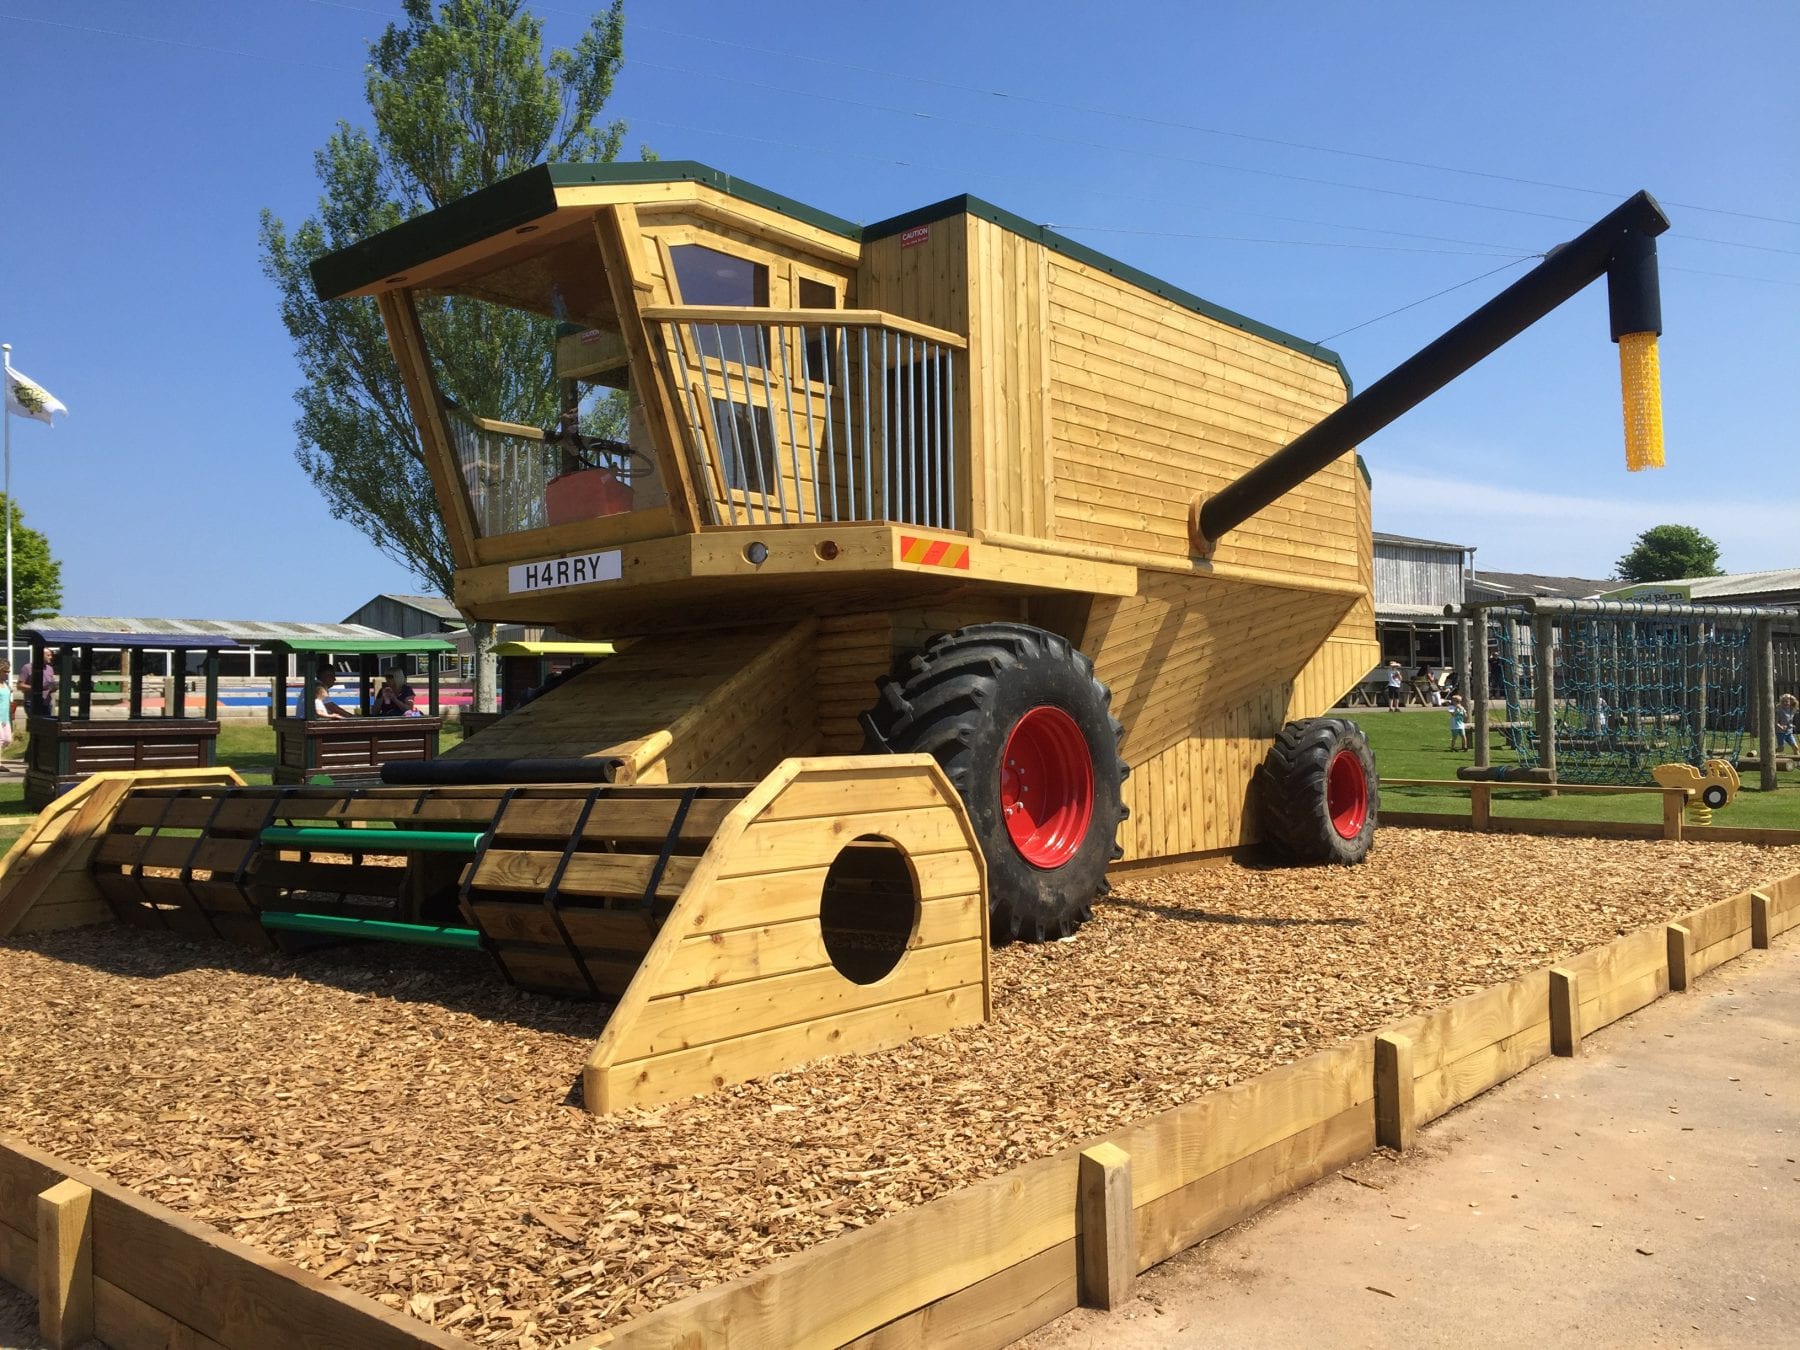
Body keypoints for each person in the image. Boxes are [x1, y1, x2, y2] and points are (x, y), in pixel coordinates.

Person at [18, 647, 57, 717]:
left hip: (46, 703)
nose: (51, 657)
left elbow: (52, 685)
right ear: (41, 655)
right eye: (48, 655)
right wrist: (36, 688)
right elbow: (20, 686)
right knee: (35, 725)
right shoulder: (27, 667)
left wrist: (54, 687)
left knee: (47, 726)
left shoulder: (50, 668)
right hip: (32, 703)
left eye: (51, 655)